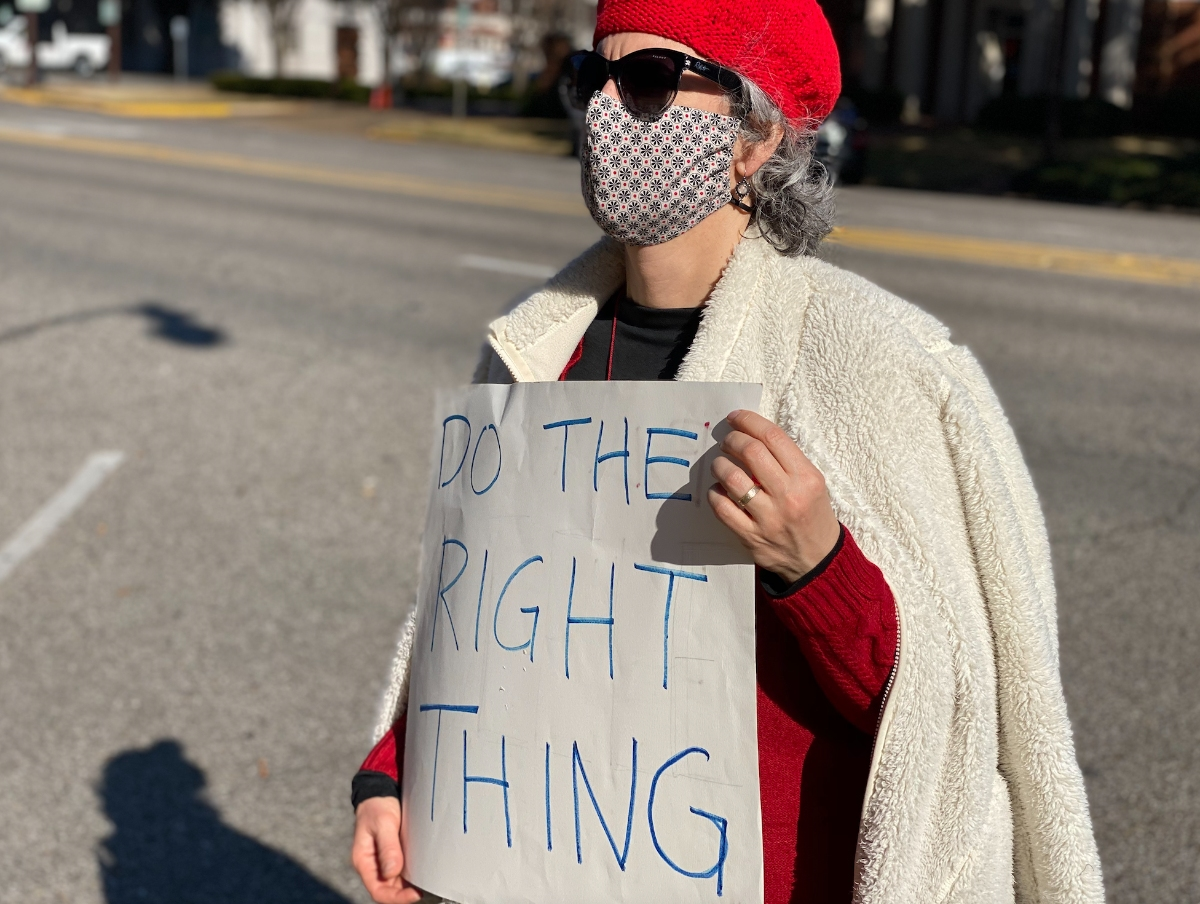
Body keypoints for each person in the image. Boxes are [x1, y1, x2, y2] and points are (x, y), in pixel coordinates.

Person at [350, 0, 1106, 901]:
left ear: (755, 135)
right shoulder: (537, 350)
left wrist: (816, 566)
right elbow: (478, 620)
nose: (602, 112)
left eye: (647, 81)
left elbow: (950, 724)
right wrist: (395, 778)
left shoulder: (879, 364)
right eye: (594, 77)